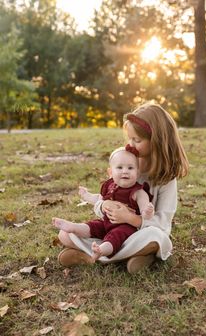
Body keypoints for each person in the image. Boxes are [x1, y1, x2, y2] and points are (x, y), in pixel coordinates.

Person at [56, 102, 189, 274]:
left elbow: (163, 223)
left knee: (156, 238)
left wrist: (131, 218)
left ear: (156, 140)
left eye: (137, 140)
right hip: (112, 232)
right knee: (65, 234)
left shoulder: (166, 177)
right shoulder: (125, 160)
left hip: (141, 233)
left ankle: (94, 256)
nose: (130, 145)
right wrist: (104, 206)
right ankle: (129, 257)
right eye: (129, 139)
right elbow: (106, 197)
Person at [52, 145, 154, 261]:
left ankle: (101, 250)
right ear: (110, 172)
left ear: (138, 172)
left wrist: (147, 212)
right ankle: (74, 227)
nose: (125, 171)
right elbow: (99, 200)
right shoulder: (109, 185)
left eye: (130, 168)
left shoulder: (138, 192)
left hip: (126, 228)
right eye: (119, 167)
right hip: (106, 223)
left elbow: (145, 212)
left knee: (115, 236)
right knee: (93, 226)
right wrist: (87, 196)